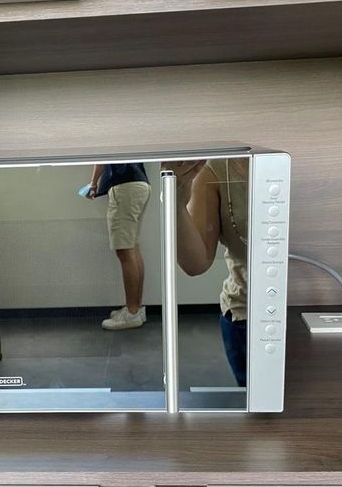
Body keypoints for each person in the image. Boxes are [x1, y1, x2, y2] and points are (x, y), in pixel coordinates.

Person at [167, 158, 249, 386]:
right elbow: (196, 263)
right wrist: (176, 204)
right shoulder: (216, 170)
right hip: (246, 316)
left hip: (315, 308)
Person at [86, 163, 151, 330]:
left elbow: (102, 157)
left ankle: (132, 312)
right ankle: (135, 308)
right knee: (132, 248)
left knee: (125, 251)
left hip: (124, 187)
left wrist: (93, 183)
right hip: (139, 184)